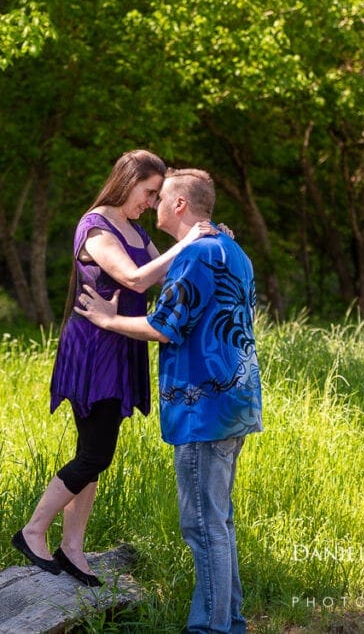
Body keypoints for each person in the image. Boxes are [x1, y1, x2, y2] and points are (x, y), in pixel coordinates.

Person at [12, 150, 217, 587]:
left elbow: (167, 272)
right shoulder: (95, 226)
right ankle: (32, 531)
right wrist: (188, 241)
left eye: (158, 195)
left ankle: (71, 548)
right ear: (128, 181)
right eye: (148, 192)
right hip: (93, 349)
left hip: (119, 345)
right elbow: (134, 278)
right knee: (95, 453)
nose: (151, 201)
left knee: (94, 453)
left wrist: (211, 242)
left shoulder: (134, 229)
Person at [74, 167, 263, 633]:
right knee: (219, 523)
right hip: (236, 403)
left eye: (161, 197)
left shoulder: (194, 256)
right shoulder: (233, 250)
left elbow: (165, 327)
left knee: (202, 526)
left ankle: (212, 629)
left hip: (202, 409)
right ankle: (229, 621)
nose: (155, 204)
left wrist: (105, 320)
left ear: (179, 205)